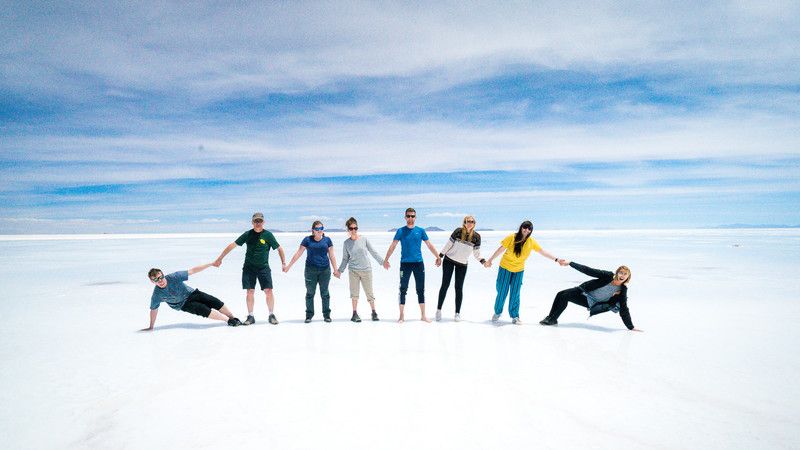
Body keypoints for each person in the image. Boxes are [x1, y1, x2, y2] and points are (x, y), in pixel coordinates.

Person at [214, 212, 286, 325]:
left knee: (268, 291)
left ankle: (271, 314)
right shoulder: (247, 234)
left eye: (260, 221)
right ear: (252, 222)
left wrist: (283, 263)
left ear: (263, 222)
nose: (258, 223)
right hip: (249, 268)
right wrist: (220, 258)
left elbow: (279, 248)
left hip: (263, 268)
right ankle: (251, 316)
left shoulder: (268, 235)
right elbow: (232, 245)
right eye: (256, 221)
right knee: (250, 292)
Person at [484, 220, 560, 324]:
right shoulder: (512, 237)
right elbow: (501, 249)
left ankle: (515, 316)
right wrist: (490, 260)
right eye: (525, 227)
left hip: (519, 270)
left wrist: (556, 259)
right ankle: (497, 312)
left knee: (515, 293)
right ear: (521, 227)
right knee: (502, 291)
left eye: (529, 229)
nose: (526, 230)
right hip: (505, 267)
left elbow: (542, 251)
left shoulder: (531, 242)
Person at [539, 261, 642, 331]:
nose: (622, 275)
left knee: (565, 296)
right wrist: (571, 263)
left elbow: (624, 308)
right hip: (584, 291)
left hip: (591, 302)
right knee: (560, 294)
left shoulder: (622, 290)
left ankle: (552, 319)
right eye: (621, 273)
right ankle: (551, 318)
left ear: (628, 277)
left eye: (625, 274)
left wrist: (631, 327)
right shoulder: (608, 276)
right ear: (617, 273)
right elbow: (589, 271)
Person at [142, 263, 243, 330]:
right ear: (152, 282)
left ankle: (233, 317)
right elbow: (153, 310)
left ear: (163, 275)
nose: (160, 281)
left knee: (214, 301)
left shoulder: (174, 277)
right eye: (156, 280)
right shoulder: (157, 295)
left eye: (160, 277)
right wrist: (151, 326)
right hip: (183, 305)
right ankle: (228, 320)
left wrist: (211, 264)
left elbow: (192, 271)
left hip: (192, 293)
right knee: (203, 309)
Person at [383, 207, 441, 323]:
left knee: (420, 289)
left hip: (418, 264)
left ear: (415, 217)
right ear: (405, 217)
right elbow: (393, 246)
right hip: (405, 264)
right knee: (403, 289)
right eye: (408, 216)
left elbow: (429, 245)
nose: (410, 218)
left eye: (412, 216)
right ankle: (401, 316)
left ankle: (423, 315)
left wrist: (438, 256)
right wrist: (386, 259)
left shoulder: (421, 231)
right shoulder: (400, 231)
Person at [284, 220, 340, 323]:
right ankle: (309, 315)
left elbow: (331, 255)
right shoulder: (307, 240)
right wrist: (288, 266)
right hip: (310, 270)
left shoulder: (327, 240)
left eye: (321, 229)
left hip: (325, 270)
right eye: (317, 229)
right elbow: (298, 253)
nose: (319, 231)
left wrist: (336, 269)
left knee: (325, 293)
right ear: (313, 230)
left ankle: (326, 315)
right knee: (310, 293)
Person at [435, 215, 487, 322]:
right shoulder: (458, 232)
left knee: (458, 288)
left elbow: (476, 253)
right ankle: (439, 310)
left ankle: (457, 313)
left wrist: (483, 261)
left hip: (462, 264)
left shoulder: (477, 237)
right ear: (464, 222)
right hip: (449, 260)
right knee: (445, 284)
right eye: (468, 221)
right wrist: (440, 256)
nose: (470, 223)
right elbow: (448, 244)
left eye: (472, 221)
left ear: (474, 223)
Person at [337, 217, 384, 322]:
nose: (353, 230)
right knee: (354, 293)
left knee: (369, 292)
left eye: (355, 228)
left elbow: (373, 252)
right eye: (351, 228)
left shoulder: (364, 239)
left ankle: (374, 312)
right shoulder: (346, 243)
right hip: (353, 271)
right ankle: (354, 313)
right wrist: (339, 271)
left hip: (366, 270)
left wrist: (382, 262)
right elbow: (345, 259)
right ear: (348, 230)